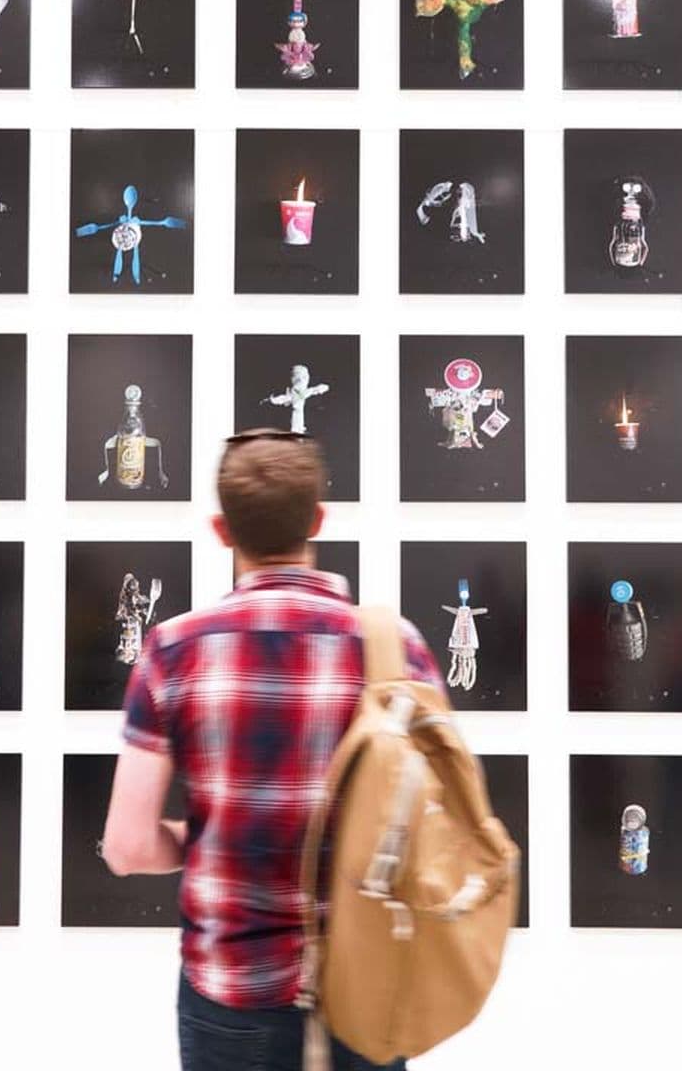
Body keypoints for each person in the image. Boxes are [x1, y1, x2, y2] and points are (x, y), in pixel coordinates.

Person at [102, 430, 445, 1071]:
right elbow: (434, 822)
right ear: (318, 520)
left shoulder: (175, 649)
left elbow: (127, 848)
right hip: (369, 982)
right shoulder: (396, 646)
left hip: (232, 989)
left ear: (221, 530)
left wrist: (204, 835)